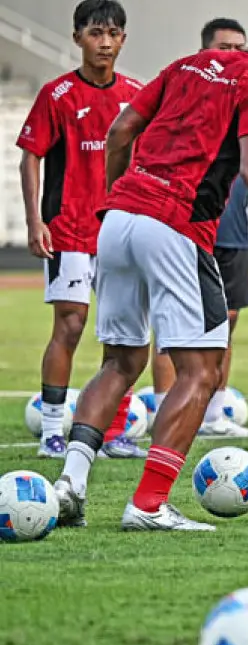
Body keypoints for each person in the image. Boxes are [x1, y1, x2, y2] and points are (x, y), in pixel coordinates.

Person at [51, 0, 248, 532]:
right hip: (176, 225)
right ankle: (150, 504)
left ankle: (70, 483)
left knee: (120, 361)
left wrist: (119, 198)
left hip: (119, 218)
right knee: (201, 370)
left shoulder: (185, 65)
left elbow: (120, 132)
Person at [17, 0, 145, 460]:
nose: (105, 41)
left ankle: (113, 432)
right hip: (68, 228)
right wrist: (35, 220)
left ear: (124, 39)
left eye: (113, 32)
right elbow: (30, 154)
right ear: (77, 38)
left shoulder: (137, 94)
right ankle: (53, 431)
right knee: (70, 325)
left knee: (124, 332)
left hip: (120, 230)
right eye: (95, 33)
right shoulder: (57, 95)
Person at [147, 17, 248, 440]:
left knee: (226, 326)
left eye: (239, 47)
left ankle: (214, 415)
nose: (233, 55)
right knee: (173, 330)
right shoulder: (193, 99)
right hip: (188, 227)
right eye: (225, 47)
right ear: (207, 51)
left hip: (232, 234)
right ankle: (161, 411)